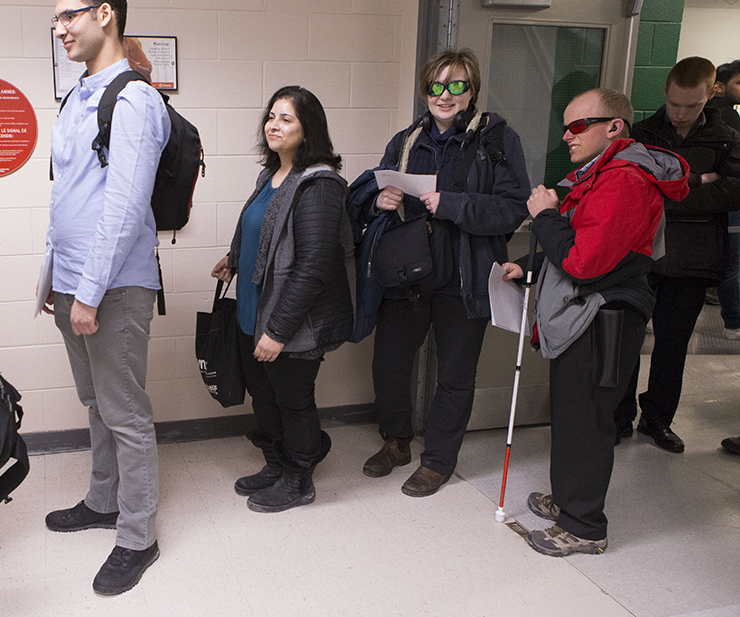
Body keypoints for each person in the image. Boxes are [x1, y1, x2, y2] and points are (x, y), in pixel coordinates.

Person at [502, 88, 688, 557]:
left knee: (587, 421)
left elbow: (585, 262)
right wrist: (533, 266)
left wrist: (544, 216)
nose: (567, 135)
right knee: (571, 414)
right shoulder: (601, 174)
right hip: (589, 310)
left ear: (614, 127)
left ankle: (584, 526)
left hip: (604, 314)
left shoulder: (624, 179)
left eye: (578, 126)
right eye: (566, 125)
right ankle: (568, 502)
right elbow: (586, 244)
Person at [345, 48, 529, 497]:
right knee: (389, 365)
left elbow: (513, 209)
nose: (445, 95)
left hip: (464, 280)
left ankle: (439, 461)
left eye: (457, 85)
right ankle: (396, 442)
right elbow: (369, 188)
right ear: (425, 90)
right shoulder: (406, 140)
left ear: (472, 90)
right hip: (408, 274)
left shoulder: (498, 140)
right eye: (436, 86)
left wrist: (454, 204)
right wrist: (379, 199)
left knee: (455, 375)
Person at [41, 0, 167, 596]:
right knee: (97, 403)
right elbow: (68, 197)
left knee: (125, 412)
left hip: (112, 287)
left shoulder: (135, 100)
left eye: (70, 14)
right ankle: (101, 500)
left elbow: (122, 208)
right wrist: (54, 279)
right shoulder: (76, 97)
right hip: (72, 284)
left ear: (106, 15)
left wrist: (88, 293)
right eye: (57, 17)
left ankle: (138, 536)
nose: (60, 27)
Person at [211, 86, 354, 513]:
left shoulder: (320, 185)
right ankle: (277, 462)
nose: (274, 124)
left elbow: (312, 266)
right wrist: (234, 259)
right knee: (265, 397)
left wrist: (278, 331)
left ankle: (299, 477)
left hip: (290, 321)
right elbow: (262, 233)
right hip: (254, 310)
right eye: (271, 116)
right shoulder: (270, 175)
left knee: (294, 402)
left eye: (287, 118)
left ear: (309, 128)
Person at [613, 57, 740, 453]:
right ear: (665, 94)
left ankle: (657, 419)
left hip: (693, 259)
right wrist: (698, 182)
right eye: (675, 104)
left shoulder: (728, 138)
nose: (681, 114)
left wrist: (667, 192)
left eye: (692, 106)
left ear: (711, 95)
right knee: (626, 342)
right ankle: (617, 418)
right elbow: (633, 188)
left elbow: (732, 193)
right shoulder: (643, 133)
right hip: (641, 254)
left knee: (672, 345)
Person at [709, 61, 740, 338]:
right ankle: (733, 323)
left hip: (704, 201)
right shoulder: (727, 118)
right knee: (732, 263)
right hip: (728, 202)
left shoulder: (706, 115)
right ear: (718, 87)